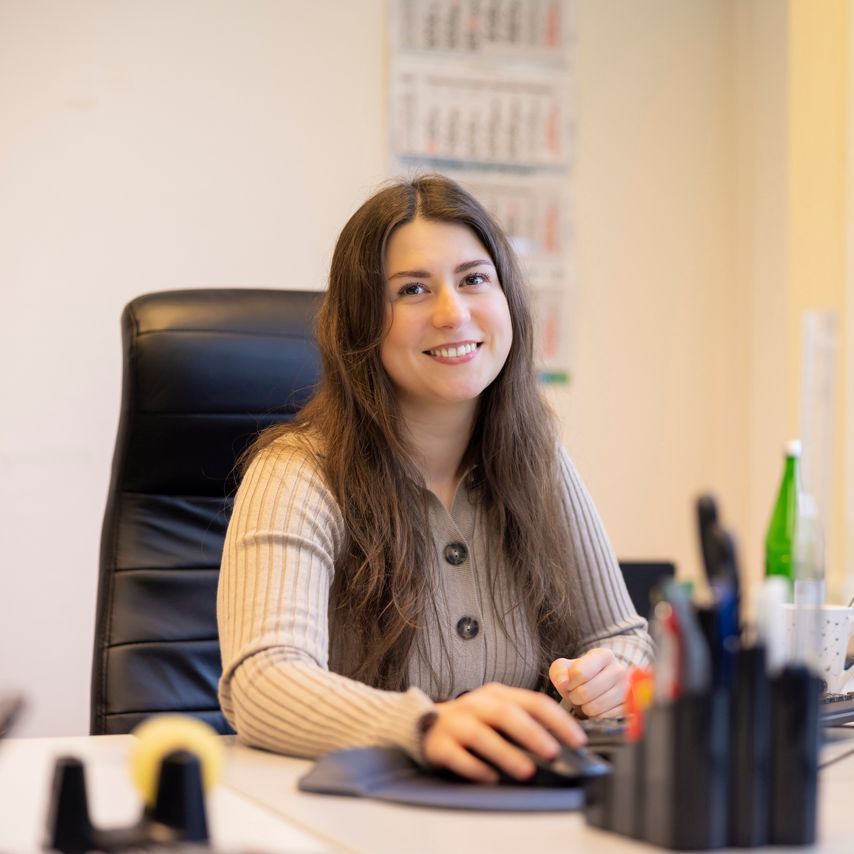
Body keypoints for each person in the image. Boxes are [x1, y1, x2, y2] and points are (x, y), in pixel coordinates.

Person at [217, 174, 654, 783]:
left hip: (512, 809)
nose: (453, 313)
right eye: (413, 290)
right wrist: (423, 728)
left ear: (508, 302)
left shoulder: (538, 460)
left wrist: (609, 679)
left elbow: (623, 637)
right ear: (359, 323)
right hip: (357, 820)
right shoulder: (298, 472)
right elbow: (261, 682)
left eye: (474, 279)